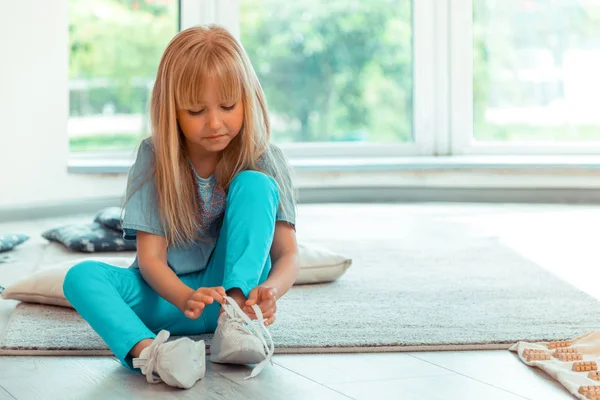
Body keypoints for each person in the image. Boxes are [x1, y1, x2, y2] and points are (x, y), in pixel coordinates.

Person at [62, 24, 299, 390]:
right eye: (195, 110)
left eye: (228, 106)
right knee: (80, 277)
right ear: (171, 111)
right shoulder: (154, 157)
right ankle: (153, 355)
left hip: (230, 301)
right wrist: (186, 297)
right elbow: (151, 260)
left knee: (255, 183)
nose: (215, 123)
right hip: (168, 300)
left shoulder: (264, 158)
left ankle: (235, 325)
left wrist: (268, 292)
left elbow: (287, 256)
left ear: (247, 100)